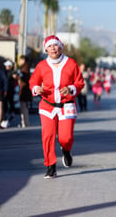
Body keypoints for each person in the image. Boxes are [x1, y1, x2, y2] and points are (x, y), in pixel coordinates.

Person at [29, 35, 84, 179]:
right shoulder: (41, 66)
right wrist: (36, 88)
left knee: (66, 138)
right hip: (47, 106)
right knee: (47, 136)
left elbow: (80, 83)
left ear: (61, 47)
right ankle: (50, 166)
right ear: (46, 49)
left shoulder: (71, 63)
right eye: (50, 46)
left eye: (55, 45)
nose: (53, 48)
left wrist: (71, 88)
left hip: (66, 105)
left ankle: (66, 150)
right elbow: (33, 81)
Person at [17, 56, 33, 128]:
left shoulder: (24, 67)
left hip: (24, 89)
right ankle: (25, 122)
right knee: (24, 107)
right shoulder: (25, 67)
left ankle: (24, 122)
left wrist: (18, 76)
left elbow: (24, 77)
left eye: (20, 60)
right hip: (25, 88)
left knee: (23, 107)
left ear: (23, 60)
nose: (19, 61)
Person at [2, 60, 16, 128]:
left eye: (7, 66)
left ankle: (11, 114)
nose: (6, 67)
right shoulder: (5, 72)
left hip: (10, 90)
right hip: (7, 90)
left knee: (9, 103)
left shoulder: (12, 72)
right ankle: (9, 114)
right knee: (7, 103)